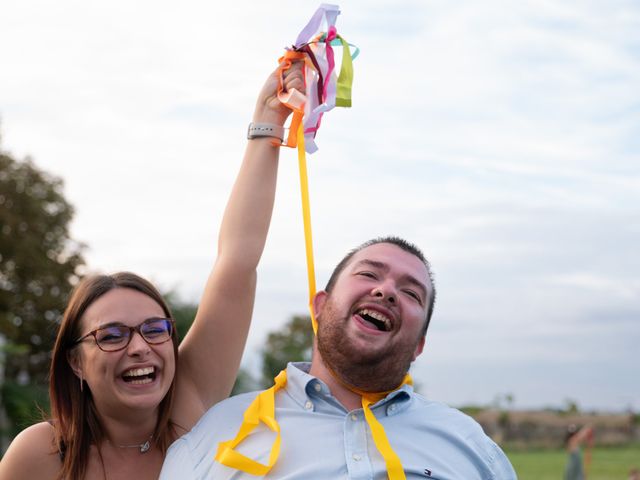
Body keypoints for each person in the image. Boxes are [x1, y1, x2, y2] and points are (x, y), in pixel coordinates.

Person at [0, 61, 304, 480]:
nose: (140, 346)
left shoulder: (189, 408)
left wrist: (268, 121)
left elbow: (237, 261)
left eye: (155, 329)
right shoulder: (39, 456)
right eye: (111, 335)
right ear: (75, 361)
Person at [160, 237, 517, 479]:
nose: (386, 291)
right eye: (368, 274)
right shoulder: (216, 434)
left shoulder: (471, 446)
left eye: (411, 292)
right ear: (319, 307)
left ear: (419, 345)